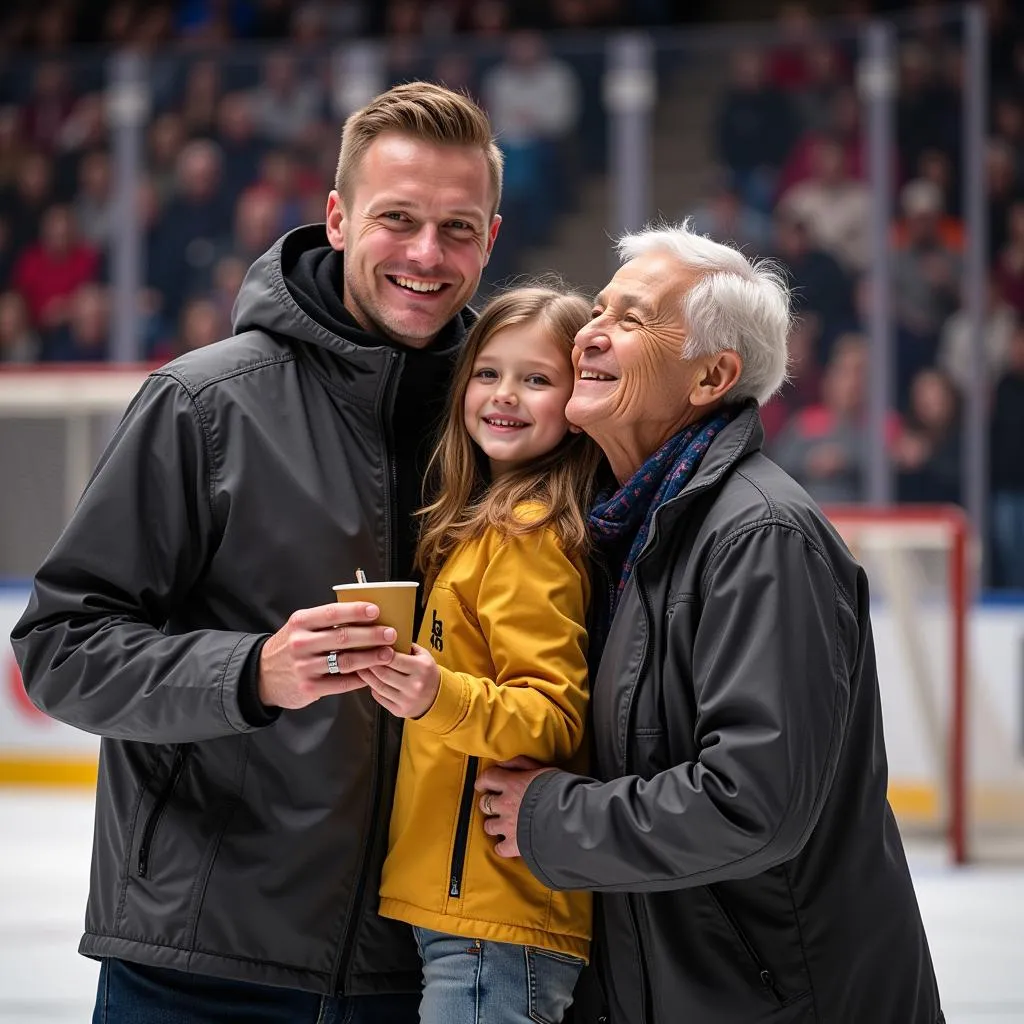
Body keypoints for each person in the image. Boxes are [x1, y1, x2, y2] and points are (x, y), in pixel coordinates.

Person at [10, 81, 503, 1023]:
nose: (427, 255)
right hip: (202, 968)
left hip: (432, 971)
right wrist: (252, 673)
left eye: (459, 228)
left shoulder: (511, 423)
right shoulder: (205, 405)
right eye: (398, 219)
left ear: (493, 236)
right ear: (338, 219)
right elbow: (61, 646)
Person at [474, 222, 945, 1023]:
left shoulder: (761, 538)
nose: (590, 332)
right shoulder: (624, 529)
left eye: (631, 319)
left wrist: (553, 818)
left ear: (711, 376)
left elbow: (750, 805)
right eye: (599, 309)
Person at [355, 284, 604, 1024]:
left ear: (576, 400)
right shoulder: (482, 527)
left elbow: (553, 713)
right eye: (489, 373)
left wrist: (439, 698)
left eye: (537, 379)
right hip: (468, 915)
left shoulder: (529, 534)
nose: (506, 395)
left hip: (494, 921)